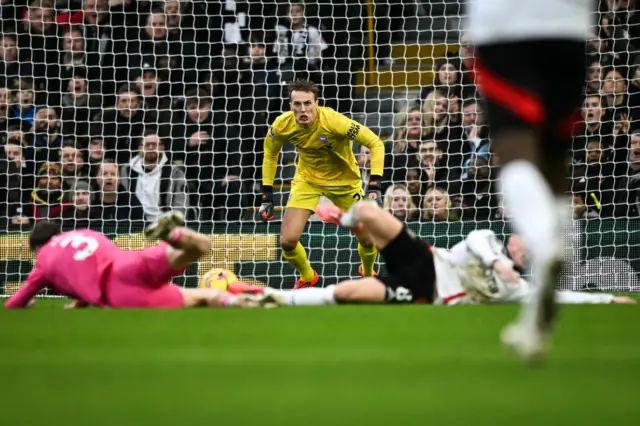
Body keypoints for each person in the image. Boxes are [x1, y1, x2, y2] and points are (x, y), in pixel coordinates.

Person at [467, 0, 593, 360]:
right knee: (555, 154)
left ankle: (544, 242)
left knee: (514, 147)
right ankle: (537, 318)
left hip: (504, 23)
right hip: (569, 24)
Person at [268, 201, 635, 308]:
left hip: (426, 293)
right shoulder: (489, 239)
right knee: (365, 211)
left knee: (348, 293)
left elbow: (558, 297)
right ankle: (346, 222)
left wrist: (609, 299)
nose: (521, 240)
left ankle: (270, 298)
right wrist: (496, 264)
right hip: (427, 259)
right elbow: (475, 239)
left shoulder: (517, 291)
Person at [4, 212, 278, 309]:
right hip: (131, 262)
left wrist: (25, 304)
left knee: (204, 298)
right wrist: (80, 302)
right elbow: (89, 266)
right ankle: (174, 234)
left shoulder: (43, 260)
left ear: (36, 247)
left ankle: (247, 304)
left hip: (119, 289)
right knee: (202, 247)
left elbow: (15, 302)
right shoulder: (82, 233)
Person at [259, 80, 385, 288]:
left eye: (308, 103)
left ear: (317, 103)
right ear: (290, 106)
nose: (303, 109)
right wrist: (266, 195)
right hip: (307, 181)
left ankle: (369, 272)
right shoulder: (281, 125)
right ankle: (308, 276)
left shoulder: (335, 121)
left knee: (368, 238)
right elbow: (270, 155)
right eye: (297, 104)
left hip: (345, 182)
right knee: (287, 241)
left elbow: (375, 143)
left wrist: (374, 185)